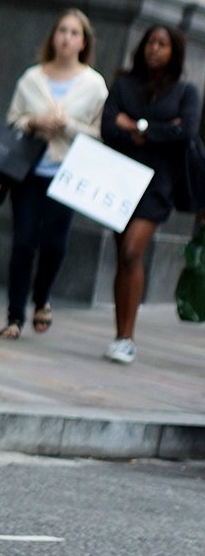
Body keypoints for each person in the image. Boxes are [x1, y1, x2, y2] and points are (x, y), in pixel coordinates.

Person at [0, 9, 107, 340]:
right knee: (23, 242)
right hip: (30, 172)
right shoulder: (32, 78)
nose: (66, 38)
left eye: (74, 33)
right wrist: (35, 122)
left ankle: (42, 297)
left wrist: (68, 127)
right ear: (53, 36)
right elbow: (12, 119)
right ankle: (15, 315)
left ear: (83, 42)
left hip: (67, 175)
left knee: (54, 244)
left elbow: (100, 133)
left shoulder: (93, 85)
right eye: (62, 30)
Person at [98, 24, 201, 364]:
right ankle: (119, 332)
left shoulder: (185, 91)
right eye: (151, 43)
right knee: (121, 254)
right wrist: (157, 130)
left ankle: (127, 337)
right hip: (121, 180)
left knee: (131, 251)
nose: (154, 49)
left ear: (175, 52)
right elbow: (109, 127)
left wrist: (138, 126)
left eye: (163, 44)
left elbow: (184, 133)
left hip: (159, 185)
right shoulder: (124, 84)